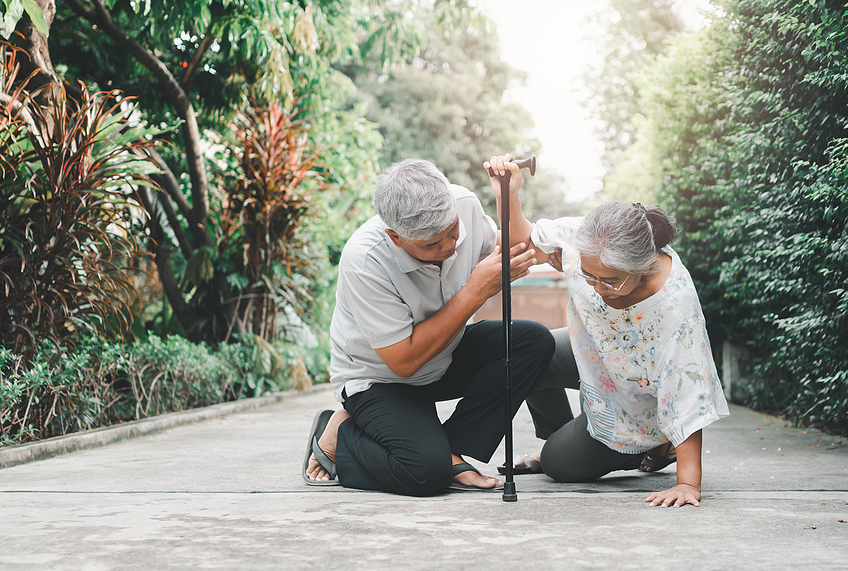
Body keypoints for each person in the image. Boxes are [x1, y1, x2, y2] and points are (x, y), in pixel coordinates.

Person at [484, 154, 729, 508]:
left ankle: (653, 443)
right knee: (524, 350)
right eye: (589, 276)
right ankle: (561, 436)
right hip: (593, 353)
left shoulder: (676, 308)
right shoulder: (589, 237)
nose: (598, 288)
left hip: (638, 404)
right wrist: (507, 194)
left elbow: (687, 395)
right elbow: (525, 245)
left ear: (644, 266)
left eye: (611, 281)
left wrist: (688, 484)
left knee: (556, 464)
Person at [304, 158, 555, 496]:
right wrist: (476, 290)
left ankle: (448, 448)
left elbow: (516, 252)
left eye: (452, 233)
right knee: (423, 474)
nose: (449, 247)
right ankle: (342, 433)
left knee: (531, 340)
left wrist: (507, 198)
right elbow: (403, 362)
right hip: (381, 380)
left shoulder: (463, 204)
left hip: (444, 357)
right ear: (396, 237)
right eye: (431, 245)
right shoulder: (365, 259)